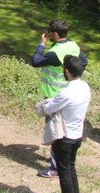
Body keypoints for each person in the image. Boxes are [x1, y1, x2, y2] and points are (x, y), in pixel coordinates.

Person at [32, 19, 88, 178]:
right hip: (69, 92)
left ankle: (55, 168)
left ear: (55, 34)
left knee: (56, 131)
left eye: (50, 33)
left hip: (54, 95)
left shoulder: (54, 54)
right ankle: (62, 161)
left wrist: (42, 44)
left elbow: (36, 61)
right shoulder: (74, 46)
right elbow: (83, 61)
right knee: (65, 129)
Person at [40, 55, 91, 193]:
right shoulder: (85, 87)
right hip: (77, 136)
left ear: (67, 72)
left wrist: (46, 104)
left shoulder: (66, 92)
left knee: (64, 172)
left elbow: (48, 109)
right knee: (71, 168)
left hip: (64, 137)